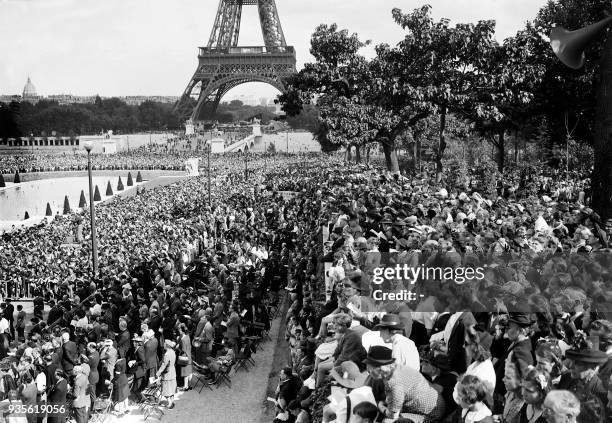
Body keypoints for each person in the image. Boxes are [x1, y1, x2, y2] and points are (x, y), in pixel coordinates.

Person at [364, 346, 445, 423]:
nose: (368, 369)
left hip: (431, 414)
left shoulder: (394, 383)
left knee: (388, 421)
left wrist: (380, 406)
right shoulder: (396, 368)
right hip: (433, 403)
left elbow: (393, 415)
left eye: (371, 366)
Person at [156, 339, 176, 409]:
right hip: (173, 371)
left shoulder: (167, 354)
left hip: (167, 374)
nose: (163, 345)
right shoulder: (173, 352)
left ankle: (170, 403)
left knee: (165, 389)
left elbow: (164, 365)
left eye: (164, 344)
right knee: (172, 388)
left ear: (166, 345)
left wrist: (158, 373)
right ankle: (172, 401)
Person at [177, 324, 193, 391]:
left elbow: (183, 350)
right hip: (189, 355)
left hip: (184, 356)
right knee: (189, 371)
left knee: (185, 373)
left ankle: (185, 386)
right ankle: (189, 385)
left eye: (180, 330)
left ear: (182, 331)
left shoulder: (183, 339)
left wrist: (178, 348)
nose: (179, 331)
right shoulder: (188, 337)